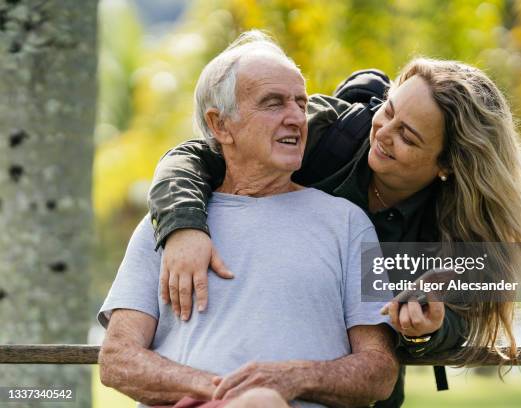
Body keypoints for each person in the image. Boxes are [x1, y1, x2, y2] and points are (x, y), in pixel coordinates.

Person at [147, 33, 521, 408]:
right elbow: (193, 156)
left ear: (446, 164)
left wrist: (425, 329)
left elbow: (459, 326)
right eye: (387, 111)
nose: (383, 133)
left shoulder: (461, 233)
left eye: (408, 137)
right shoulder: (328, 130)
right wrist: (184, 226)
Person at [98, 31, 399, 408]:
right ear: (221, 125)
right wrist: (225, 390)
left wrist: (290, 380)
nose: (296, 118)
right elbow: (118, 360)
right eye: (273, 103)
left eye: (300, 103)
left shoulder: (350, 224)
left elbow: (380, 370)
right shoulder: (168, 226)